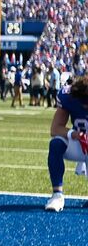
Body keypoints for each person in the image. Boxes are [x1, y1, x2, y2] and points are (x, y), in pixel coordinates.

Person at [44, 76, 88, 212]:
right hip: (79, 142)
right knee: (56, 144)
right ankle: (57, 195)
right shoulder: (68, 97)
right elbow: (55, 128)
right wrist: (72, 134)